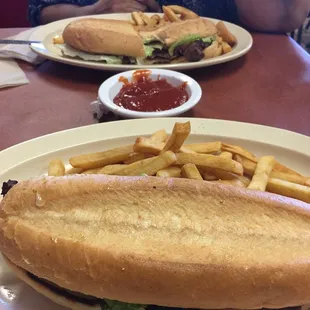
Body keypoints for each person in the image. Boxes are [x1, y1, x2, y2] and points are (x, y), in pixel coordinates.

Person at [28, 0, 309, 33]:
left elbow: (282, 17)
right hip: (77, 78)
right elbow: (41, 9)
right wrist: (87, 13)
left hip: (218, 81)